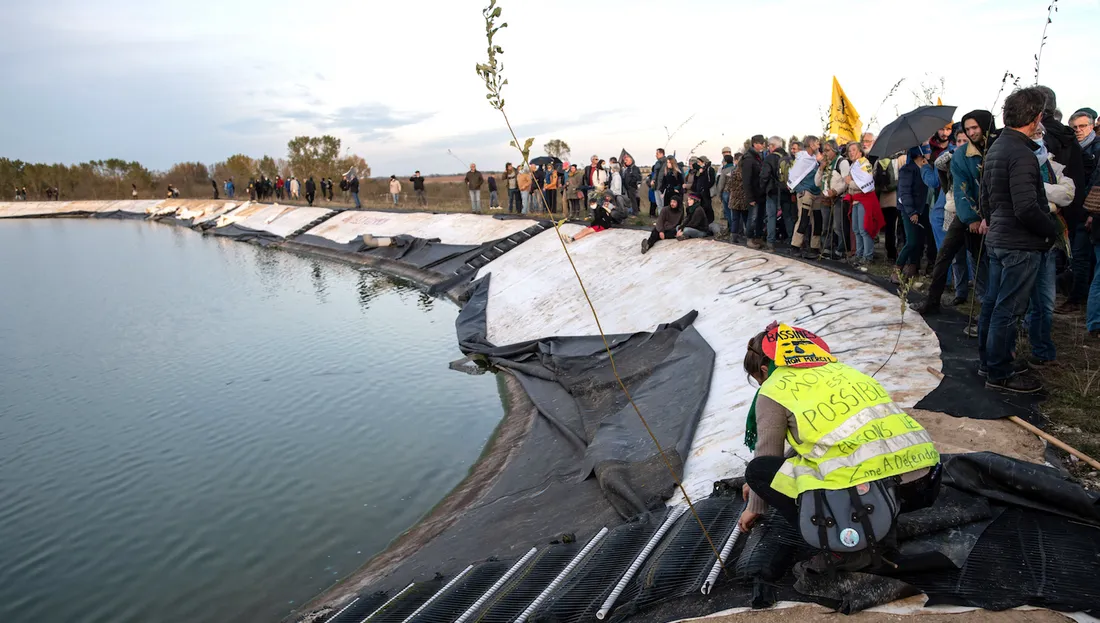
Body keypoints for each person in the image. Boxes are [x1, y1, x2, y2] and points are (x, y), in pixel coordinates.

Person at [736, 322, 941, 572]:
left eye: (758, 379)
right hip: (923, 481)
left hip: (873, 491)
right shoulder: (843, 370)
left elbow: (768, 454)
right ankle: (882, 524)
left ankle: (841, 548)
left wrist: (755, 507)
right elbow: (820, 441)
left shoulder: (774, 388)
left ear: (765, 370)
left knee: (758, 471)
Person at [978, 86, 1057, 394]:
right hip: (1018, 244)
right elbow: (1026, 207)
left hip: (1000, 238)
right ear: (1036, 117)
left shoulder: (998, 147)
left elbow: (985, 198)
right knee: (1007, 309)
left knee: (993, 304)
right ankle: (998, 372)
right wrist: (1050, 230)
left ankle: (989, 361)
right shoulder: (1021, 153)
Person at [917, 111, 998, 315]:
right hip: (965, 213)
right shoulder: (961, 155)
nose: (971, 133)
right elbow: (961, 188)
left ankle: (987, 309)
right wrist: (971, 217)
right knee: (945, 255)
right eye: (967, 129)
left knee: (983, 261)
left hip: (995, 215)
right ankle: (932, 302)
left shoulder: (998, 148)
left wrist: (987, 216)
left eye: (975, 128)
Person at [1034, 88, 1091, 316]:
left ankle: (1070, 299)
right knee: (1074, 255)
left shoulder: (1044, 135)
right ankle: (1074, 297)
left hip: (1055, 203)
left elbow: (1043, 172)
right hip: (1076, 200)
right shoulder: (1068, 134)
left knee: (1055, 257)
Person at [895, 146, 930, 282]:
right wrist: (911, 212)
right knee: (911, 241)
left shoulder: (925, 167)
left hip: (921, 208)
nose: (929, 153)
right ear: (920, 154)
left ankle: (912, 267)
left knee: (919, 240)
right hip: (909, 210)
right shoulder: (907, 170)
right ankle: (897, 269)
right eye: (927, 151)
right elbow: (904, 193)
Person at [844, 142, 880, 267]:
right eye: (849, 151)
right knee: (856, 229)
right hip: (855, 200)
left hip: (865, 200)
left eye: (854, 150)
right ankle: (859, 254)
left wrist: (850, 183)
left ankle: (867, 256)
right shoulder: (853, 165)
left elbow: (867, 184)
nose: (851, 153)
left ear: (860, 152)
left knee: (864, 229)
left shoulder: (865, 164)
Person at [815, 139, 851, 260]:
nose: (825, 153)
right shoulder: (825, 163)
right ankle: (827, 248)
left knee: (838, 225)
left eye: (827, 150)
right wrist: (821, 169)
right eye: (823, 150)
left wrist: (835, 191)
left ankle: (841, 250)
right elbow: (817, 182)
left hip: (838, 198)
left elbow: (846, 182)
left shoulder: (842, 162)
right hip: (825, 198)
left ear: (834, 150)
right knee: (826, 225)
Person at [789, 136, 823, 258]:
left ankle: (815, 247)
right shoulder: (802, 159)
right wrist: (800, 189)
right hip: (806, 192)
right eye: (816, 144)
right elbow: (793, 176)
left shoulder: (817, 158)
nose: (818, 147)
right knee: (804, 217)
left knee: (817, 220)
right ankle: (795, 245)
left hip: (816, 191)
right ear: (810, 145)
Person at [741, 135, 767, 249]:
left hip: (760, 193)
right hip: (753, 194)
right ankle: (750, 238)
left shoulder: (758, 157)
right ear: (755, 144)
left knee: (760, 218)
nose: (763, 146)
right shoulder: (748, 159)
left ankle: (758, 237)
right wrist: (750, 197)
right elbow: (746, 180)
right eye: (761, 143)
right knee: (753, 217)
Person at [649, 148, 666, 216]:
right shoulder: (658, 163)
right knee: (659, 204)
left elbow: (662, 175)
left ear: (662, 154)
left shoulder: (665, 163)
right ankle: (660, 218)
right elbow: (656, 173)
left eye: (657, 154)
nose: (656, 155)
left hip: (662, 186)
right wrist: (653, 180)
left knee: (663, 204)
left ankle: (664, 219)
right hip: (656, 186)